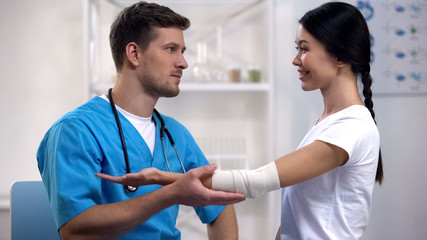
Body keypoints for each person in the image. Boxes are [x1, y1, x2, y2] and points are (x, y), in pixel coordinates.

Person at [96, 2, 384, 239]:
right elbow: (300, 217)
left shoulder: (351, 128)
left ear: (340, 56)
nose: (296, 60)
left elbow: (256, 182)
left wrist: (161, 177)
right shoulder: (327, 123)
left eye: (304, 48)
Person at [36, 1, 245, 239]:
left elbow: (220, 204)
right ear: (134, 54)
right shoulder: (77, 130)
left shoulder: (174, 134)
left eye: (183, 52)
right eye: (171, 49)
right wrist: (171, 193)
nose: (183, 63)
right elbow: (75, 230)